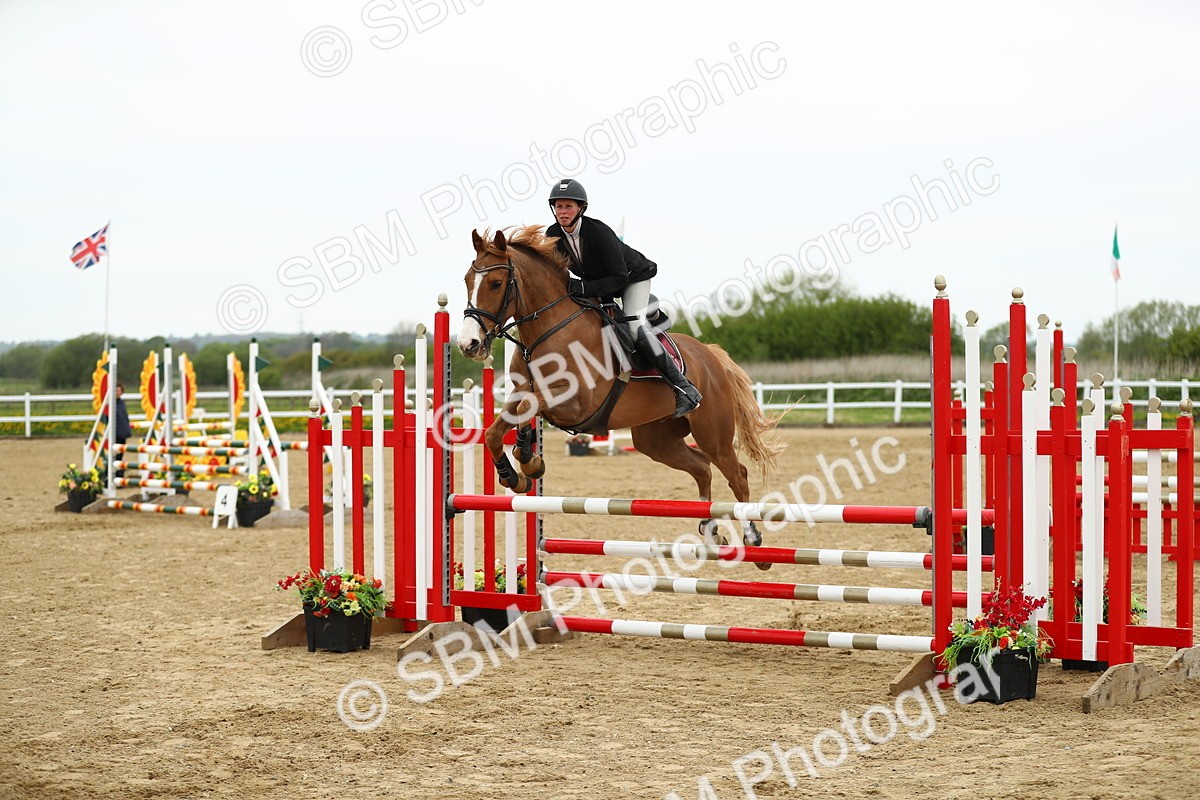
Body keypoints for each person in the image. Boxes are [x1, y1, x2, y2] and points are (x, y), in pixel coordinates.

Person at [546, 178, 702, 418]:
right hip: (602, 284)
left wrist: (585, 289)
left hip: (631, 278)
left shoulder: (599, 233)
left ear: (580, 209)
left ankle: (684, 388)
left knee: (635, 326)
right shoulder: (553, 235)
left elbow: (618, 278)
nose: (562, 212)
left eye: (568, 206)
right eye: (558, 206)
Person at [114, 383, 132, 476]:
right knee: (115, 455)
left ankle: (119, 474)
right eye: (116, 390)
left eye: (119, 390)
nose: (117, 392)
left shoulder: (122, 403)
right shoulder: (111, 404)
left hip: (122, 433)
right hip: (114, 433)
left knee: (120, 455)